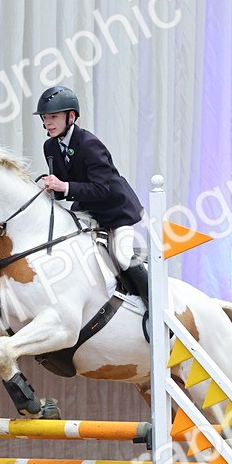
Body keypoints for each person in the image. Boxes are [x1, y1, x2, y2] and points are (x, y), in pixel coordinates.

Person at [34, 85, 150, 308]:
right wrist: (51, 188)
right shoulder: (50, 146)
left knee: (123, 257)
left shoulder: (89, 144)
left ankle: (154, 305)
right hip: (87, 209)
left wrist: (64, 186)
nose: (48, 123)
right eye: (45, 117)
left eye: (54, 117)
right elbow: (64, 188)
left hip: (116, 211)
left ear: (71, 116)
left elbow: (101, 189)